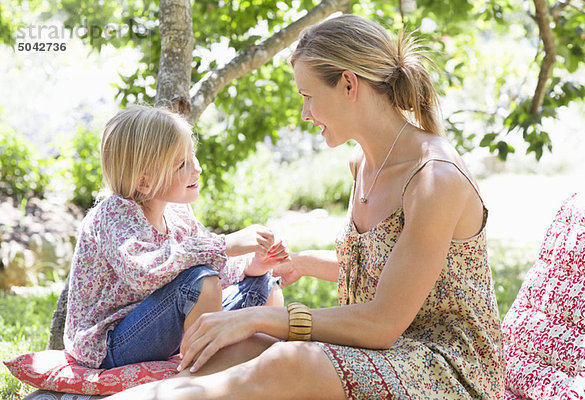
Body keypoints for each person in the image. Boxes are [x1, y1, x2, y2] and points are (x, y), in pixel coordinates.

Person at [107, 14, 505, 399]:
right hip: (389, 353)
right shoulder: (362, 164)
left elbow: (383, 322)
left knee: (289, 360)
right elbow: (389, 270)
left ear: (349, 84)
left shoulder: (435, 178)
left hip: (446, 370)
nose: (305, 113)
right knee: (231, 352)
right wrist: (301, 263)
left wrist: (258, 316)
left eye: (308, 96)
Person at [64, 105, 288, 370]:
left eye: (193, 157)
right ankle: (202, 377)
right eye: (182, 163)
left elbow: (205, 261)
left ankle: (273, 364)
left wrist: (251, 265)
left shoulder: (178, 212)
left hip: (161, 328)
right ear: (144, 182)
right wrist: (226, 244)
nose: (198, 169)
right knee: (199, 282)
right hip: (110, 343)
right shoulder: (113, 213)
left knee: (262, 283)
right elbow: (147, 272)